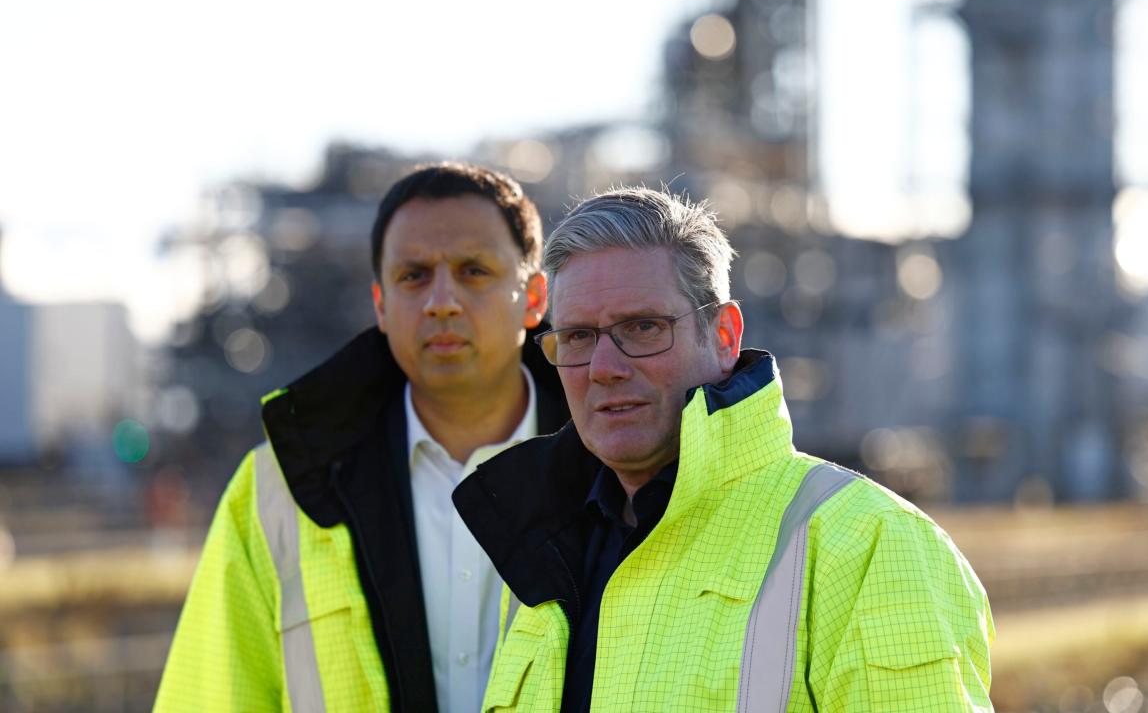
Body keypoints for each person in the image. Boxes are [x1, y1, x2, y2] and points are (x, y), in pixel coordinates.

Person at [454, 187, 994, 712]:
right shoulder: (540, 553)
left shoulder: (871, 544)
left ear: (724, 334)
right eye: (576, 337)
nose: (603, 369)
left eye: (642, 328)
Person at [155, 162, 570, 712]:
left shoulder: (613, 470)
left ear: (535, 297)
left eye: (474, 271)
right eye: (414, 275)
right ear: (380, 304)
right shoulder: (277, 493)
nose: (441, 301)